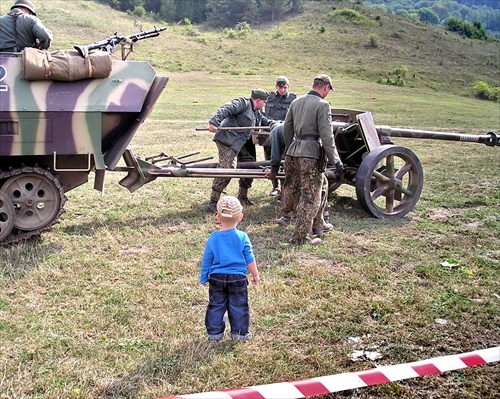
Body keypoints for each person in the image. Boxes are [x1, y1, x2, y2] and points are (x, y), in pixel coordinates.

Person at [281, 74, 343, 246]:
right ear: (325, 87)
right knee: (309, 196)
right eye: (329, 90)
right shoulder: (323, 105)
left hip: (294, 151)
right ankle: (300, 238)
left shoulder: (296, 102)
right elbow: (327, 136)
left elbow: (287, 128)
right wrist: (336, 161)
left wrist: (289, 149)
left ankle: (319, 223)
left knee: (319, 186)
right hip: (311, 154)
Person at [199, 196, 259, 342]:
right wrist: (255, 274)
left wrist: (203, 276)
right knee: (239, 306)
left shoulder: (214, 237)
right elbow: (249, 258)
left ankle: (214, 334)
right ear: (241, 217)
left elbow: (207, 258)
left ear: (218, 217)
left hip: (216, 277)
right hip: (237, 278)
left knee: (216, 305)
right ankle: (239, 334)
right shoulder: (243, 237)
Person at [206, 88, 276, 213]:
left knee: (251, 165)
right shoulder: (242, 103)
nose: (265, 104)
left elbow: (265, 121)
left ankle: (242, 196)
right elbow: (226, 108)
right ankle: (213, 202)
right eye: (264, 102)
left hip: (240, 143)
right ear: (258, 100)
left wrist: (277, 125)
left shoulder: (256, 112)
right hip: (227, 140)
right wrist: (214, 122)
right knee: (227, 169)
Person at [263, 76, 297, 196]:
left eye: (285, 87)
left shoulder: (293, 99)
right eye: (280, 87)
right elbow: (263, 114)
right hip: (268, 132)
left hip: (284, 134)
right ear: (276, 87)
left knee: (284, 159)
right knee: (269, 158)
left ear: (288, 86)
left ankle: (284, 189)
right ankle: (275, 186)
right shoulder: (269, 97)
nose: (282, 90)